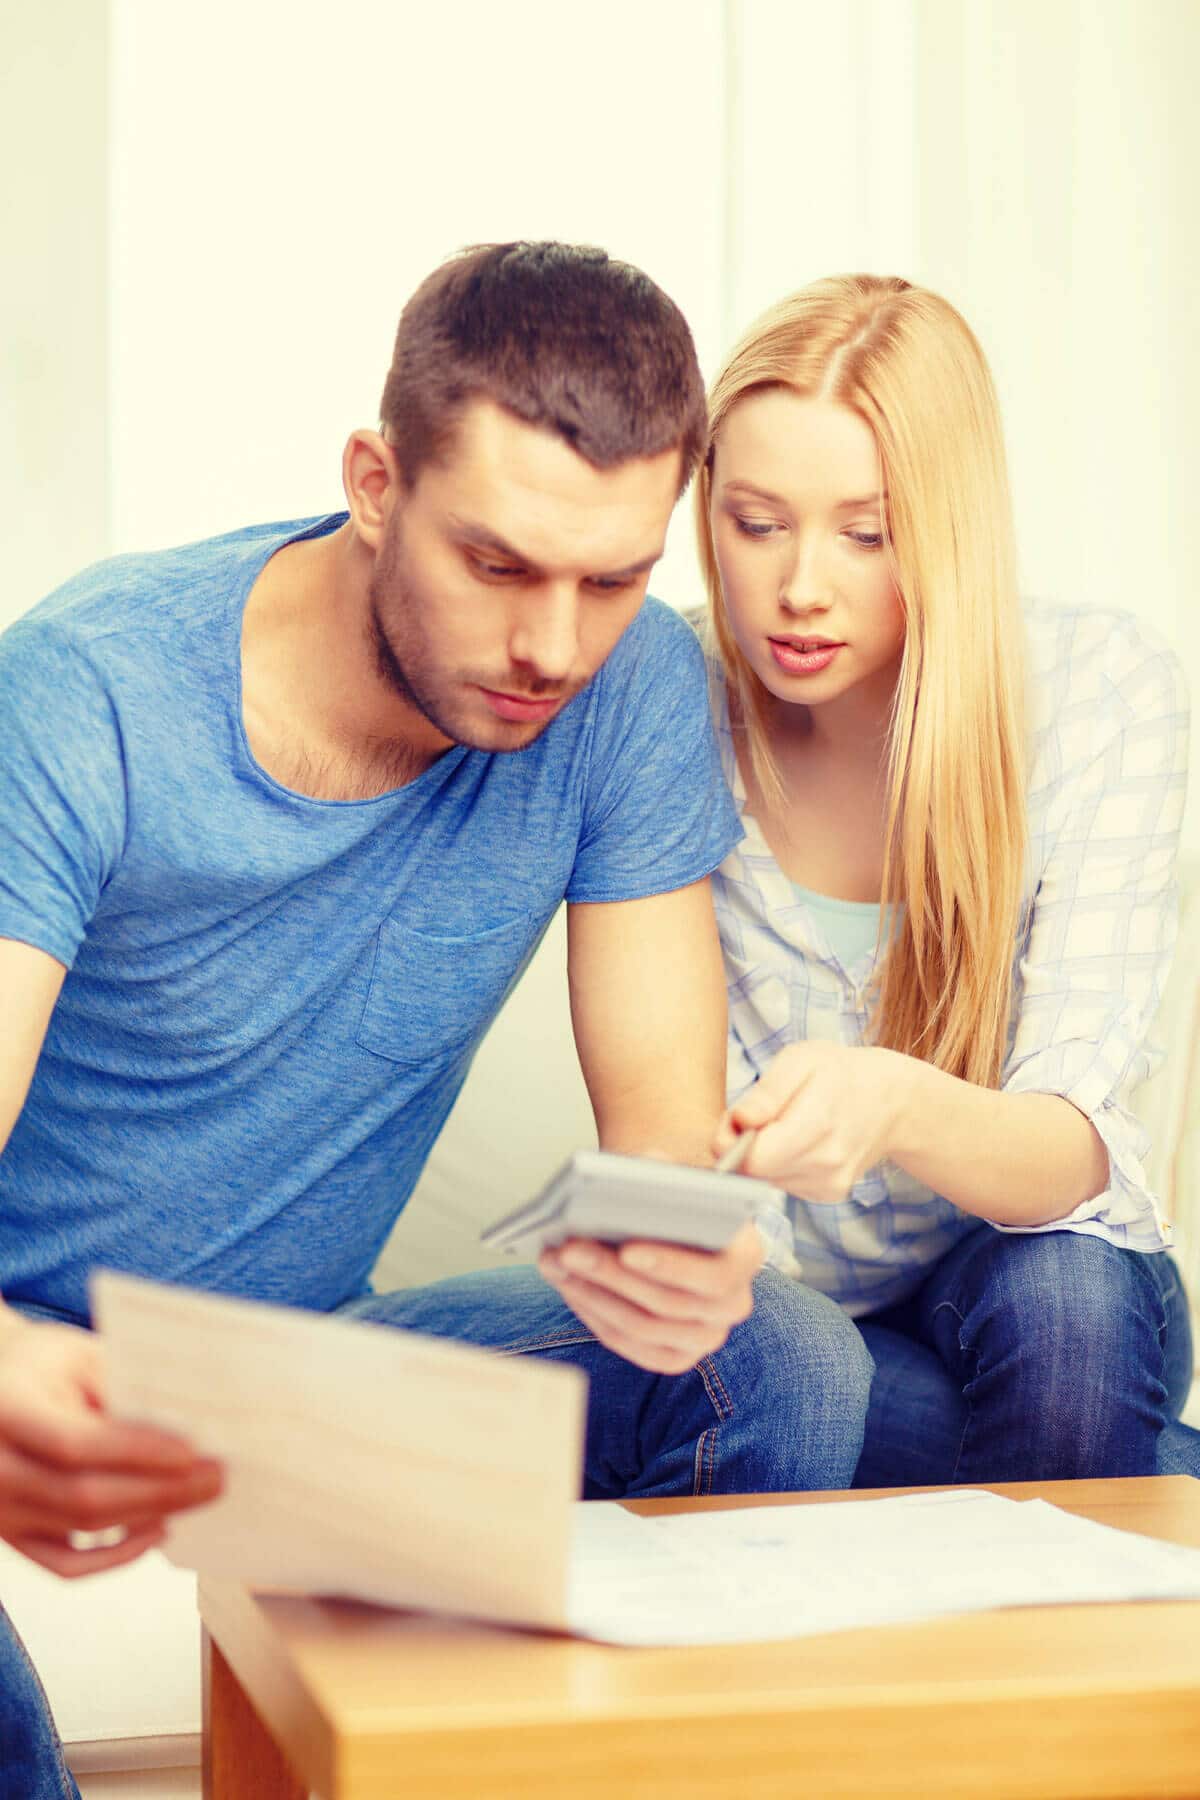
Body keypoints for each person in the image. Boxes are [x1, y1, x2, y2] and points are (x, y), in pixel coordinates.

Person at [0, 242, 872, 1795]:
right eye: (499, 566)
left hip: (291, 1369)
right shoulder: (86, 694)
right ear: (375, 483)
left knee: (787, 1361)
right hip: (27, 1356)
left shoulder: (630, 690)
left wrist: (676, 1243)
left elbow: (664, 1144)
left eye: (613, 579)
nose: (555, 647)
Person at [692, 272, 1195, 1484]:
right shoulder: (669, 705)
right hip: (800, 1311)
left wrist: (897, 1103)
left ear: (949, 523)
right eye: (757, 523)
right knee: (803, 1382)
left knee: (1069, 1314)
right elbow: (681, 1169)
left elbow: (1073, 1157)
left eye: (867, 534)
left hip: (1031, 1266)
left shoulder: (1094, 691)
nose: (801, 585)